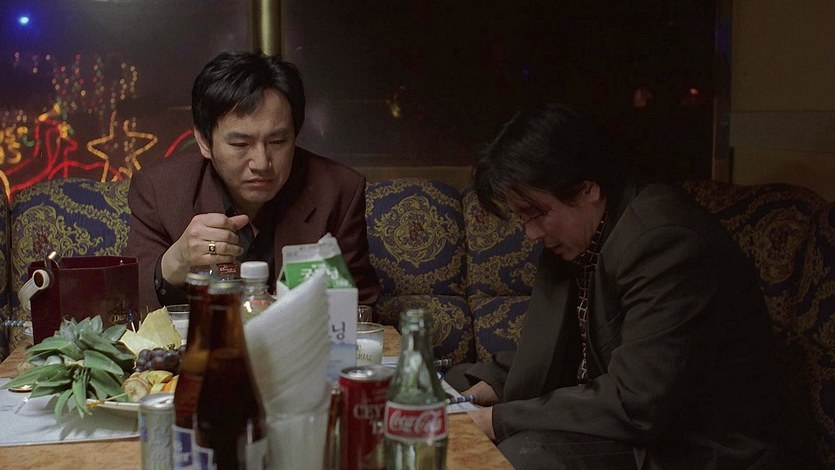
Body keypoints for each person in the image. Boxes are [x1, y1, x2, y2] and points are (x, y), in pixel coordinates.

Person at [449, 103, 784, 469]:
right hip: (641, 423)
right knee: (448, 387)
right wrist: (485, 390)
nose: (531, 233)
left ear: (588, 188)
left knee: (524, 454)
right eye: (522, 217)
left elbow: (639, 400)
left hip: (700, 444)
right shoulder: (586, 235)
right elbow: (561, 345)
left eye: (537, 213)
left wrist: (495, 421)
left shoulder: (663, 240)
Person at [125, 51, 380, 310]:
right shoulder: (159, 189)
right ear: (204, 141)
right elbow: (129, 301)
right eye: (240, 144)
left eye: (277, 141)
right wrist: (176, 262)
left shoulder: (339, 190)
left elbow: (362, 309)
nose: (261, 163)